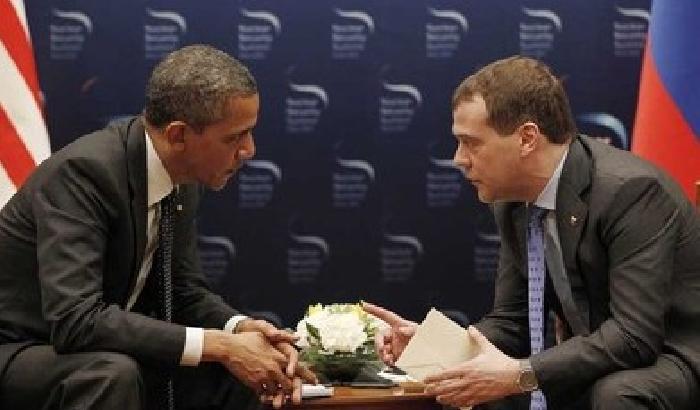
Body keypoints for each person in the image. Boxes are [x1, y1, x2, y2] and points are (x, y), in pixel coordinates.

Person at [364, 56, 700, 409]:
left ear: (527, 138)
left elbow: (634, 336)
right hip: (600, 358)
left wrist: (522, 373)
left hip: (676, 356)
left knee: (616, 394)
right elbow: (512, 323)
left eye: (471, 143)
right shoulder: (513, 203)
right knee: (469, 386)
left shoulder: (629, 192)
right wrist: (440, 348)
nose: (459, 159)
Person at [0, 44, 316, 410]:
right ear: (178, 136)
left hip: (85, 353)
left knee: (246, 370)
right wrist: (219, 345)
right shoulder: (85, 174)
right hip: (18, 347)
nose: (249, 150)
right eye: (234, 137)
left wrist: (240, 330)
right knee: (109, 373)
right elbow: (76, 320)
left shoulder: (183, 175)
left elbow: (181, 292)